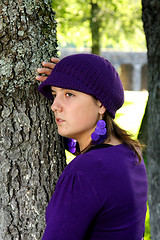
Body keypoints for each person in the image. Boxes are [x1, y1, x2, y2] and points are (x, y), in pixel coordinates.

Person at [36, 54, 148, 240]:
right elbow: (84, 148)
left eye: (69, 94)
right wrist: (68, 74)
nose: (54, 106)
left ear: (101, 103)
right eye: (55, 94)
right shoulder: (130, 154)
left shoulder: (83, 171)